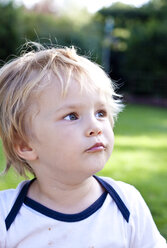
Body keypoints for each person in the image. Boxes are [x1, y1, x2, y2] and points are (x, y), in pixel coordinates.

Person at [0, 42, 166, 248]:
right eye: (72, 116)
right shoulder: (6, 216)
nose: (95, 126)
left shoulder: (126, 203)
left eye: (101, 113)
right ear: (25, 145)